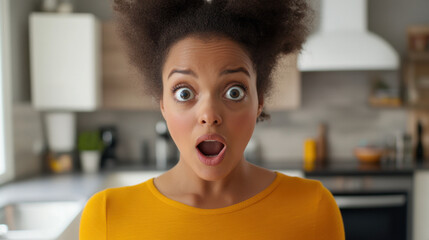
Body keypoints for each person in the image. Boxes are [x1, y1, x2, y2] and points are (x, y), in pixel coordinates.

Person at [79, 0, 345, 239]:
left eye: (234, 91)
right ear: (162, 104)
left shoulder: (313, 208)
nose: (209, 115)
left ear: (259, 101)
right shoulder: (106, 216)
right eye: (184, 93)